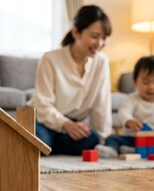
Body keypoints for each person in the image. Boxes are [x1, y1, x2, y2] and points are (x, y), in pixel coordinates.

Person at [27, 5, 112, 155]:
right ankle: (48, 146)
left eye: (104, 38)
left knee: (92, 139)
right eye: (94, 36)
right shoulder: (50, 59)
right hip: (44, 121)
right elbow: (43, 105)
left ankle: (52, 149)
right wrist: (65, 124)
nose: (99, 44)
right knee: (40, 141)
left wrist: (104, 140)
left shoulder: (101, 62)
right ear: (75, 32)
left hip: (71, 127)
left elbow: (101, 107)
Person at [95, 56, 154, 158]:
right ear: (135, 81)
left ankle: (133, 151)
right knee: (111, 138)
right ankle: (112, 150)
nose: (151, 87)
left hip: (153, 140)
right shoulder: (132, 99)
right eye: (146, 82)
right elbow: (124, 111)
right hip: (132, 138)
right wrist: (130, 121)